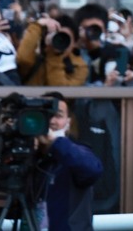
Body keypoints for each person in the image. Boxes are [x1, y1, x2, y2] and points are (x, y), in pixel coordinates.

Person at [33, 91, 104, 231]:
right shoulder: (29, 155)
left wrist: (55, 142)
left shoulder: (77, 151)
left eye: (58, 116)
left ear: (68, 123)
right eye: (46, 115)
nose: (51, 121)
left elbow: (93, 170)